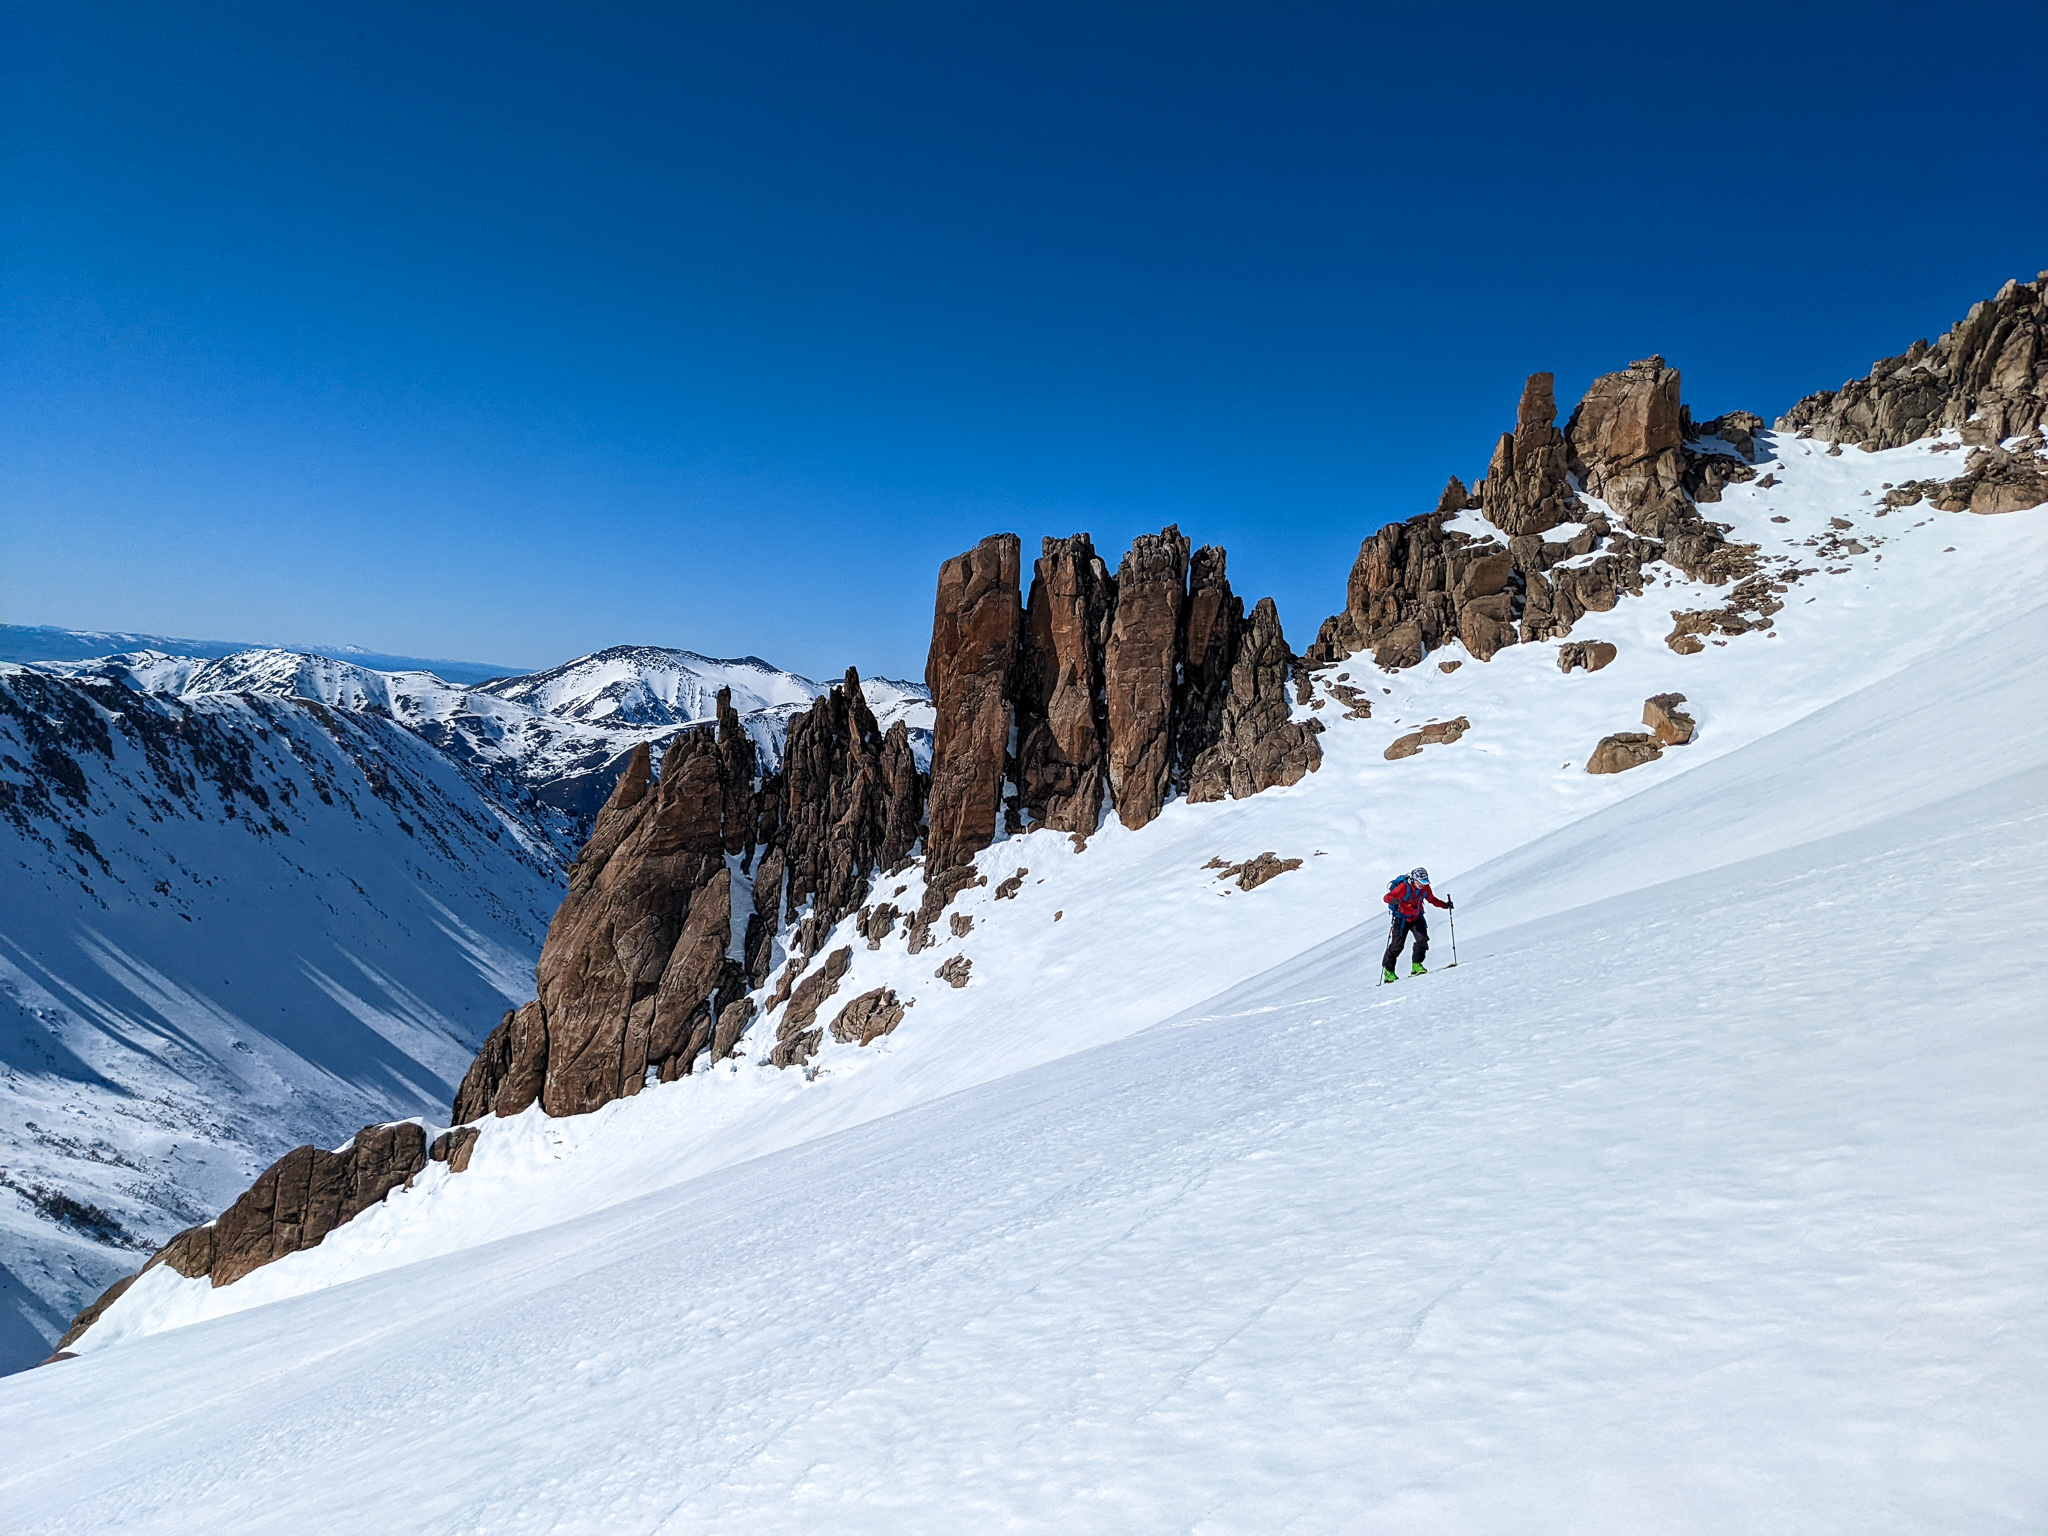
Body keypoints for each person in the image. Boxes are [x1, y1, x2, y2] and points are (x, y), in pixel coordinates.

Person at [1381, 866, 1451, 981]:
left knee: (1422, 939)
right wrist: (1395, 901)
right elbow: (1387, 898)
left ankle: (1416, 965)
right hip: (1401, 919)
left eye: (1424, 882)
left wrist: (1445, 905)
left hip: (1417, 917)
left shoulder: (1425, 888)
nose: (1422, 885)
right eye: (1420, 882)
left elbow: (1432, 899)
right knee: (1397, 946)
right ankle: (1388, 971)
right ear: (1414, 879)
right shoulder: (1404, 887)